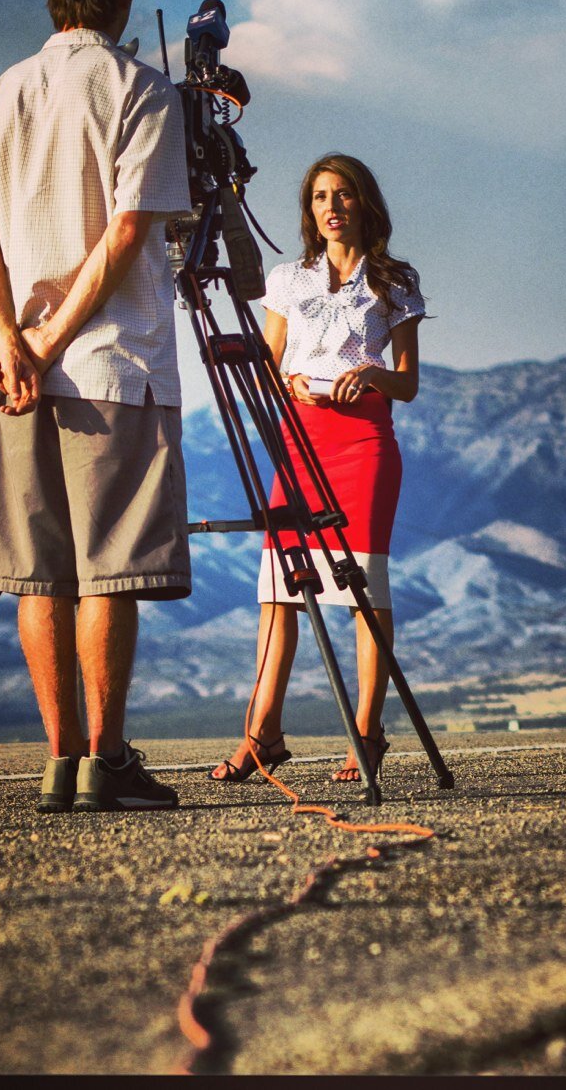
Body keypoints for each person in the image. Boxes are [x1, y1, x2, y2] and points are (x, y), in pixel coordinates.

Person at [0, 0, 193, 813]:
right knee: (106, 572)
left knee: (38, 573)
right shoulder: (141, 89)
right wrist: (49, 346)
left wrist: (11, 347)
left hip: (19, 378)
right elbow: (130, 234)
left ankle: (58, 763)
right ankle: (105, 759)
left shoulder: (5, 91)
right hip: (109, 368)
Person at [209, 153, 425, 786]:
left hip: (365, 441)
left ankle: (367, 733)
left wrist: (373, 374)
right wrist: (291, 381)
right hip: (299, 442)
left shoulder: (394, 280)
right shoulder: (288, 278)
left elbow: (408, 384)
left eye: (343, 194)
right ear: (310, 210)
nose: (331, 207)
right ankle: (263, 735)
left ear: (364, 204)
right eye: (320, 197)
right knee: (281, 590)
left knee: (363, 590)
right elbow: (266, 366)